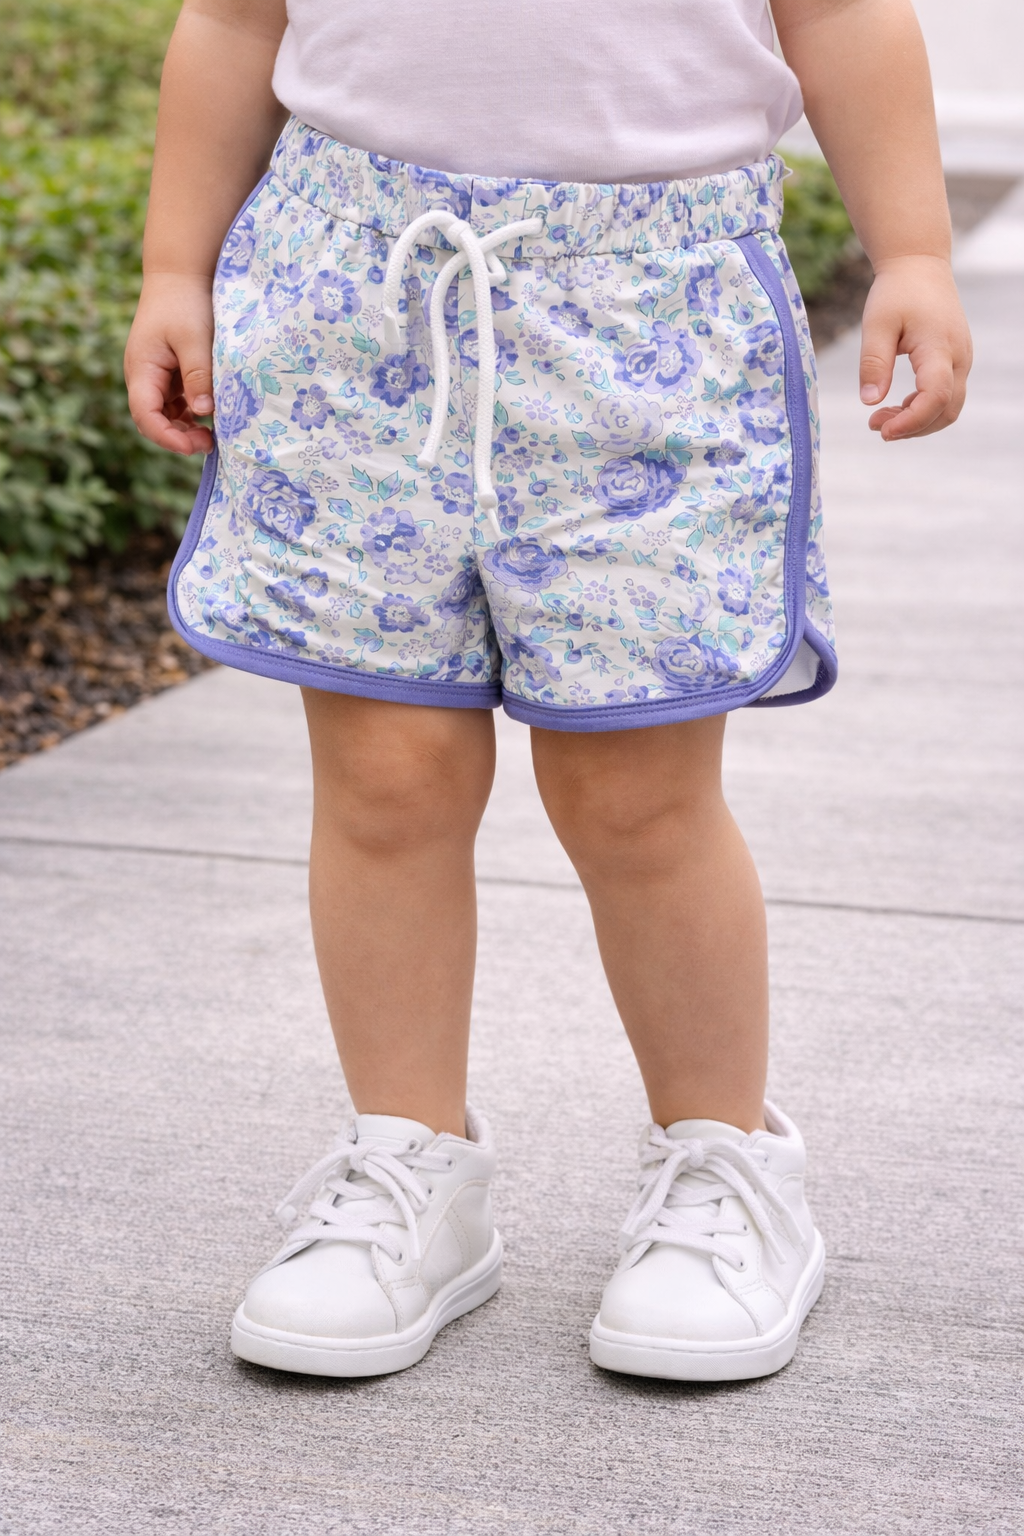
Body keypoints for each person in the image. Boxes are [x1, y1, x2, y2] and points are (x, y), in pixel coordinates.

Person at [125, 0, 970, 1382]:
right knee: (386, 773)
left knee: (635, 793)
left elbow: (845, 16)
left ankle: (725, 1165)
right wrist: (176, 267)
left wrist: (916, 251)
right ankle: (412, 1162)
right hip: (353, 297)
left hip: (653, 315)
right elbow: (232, 20)